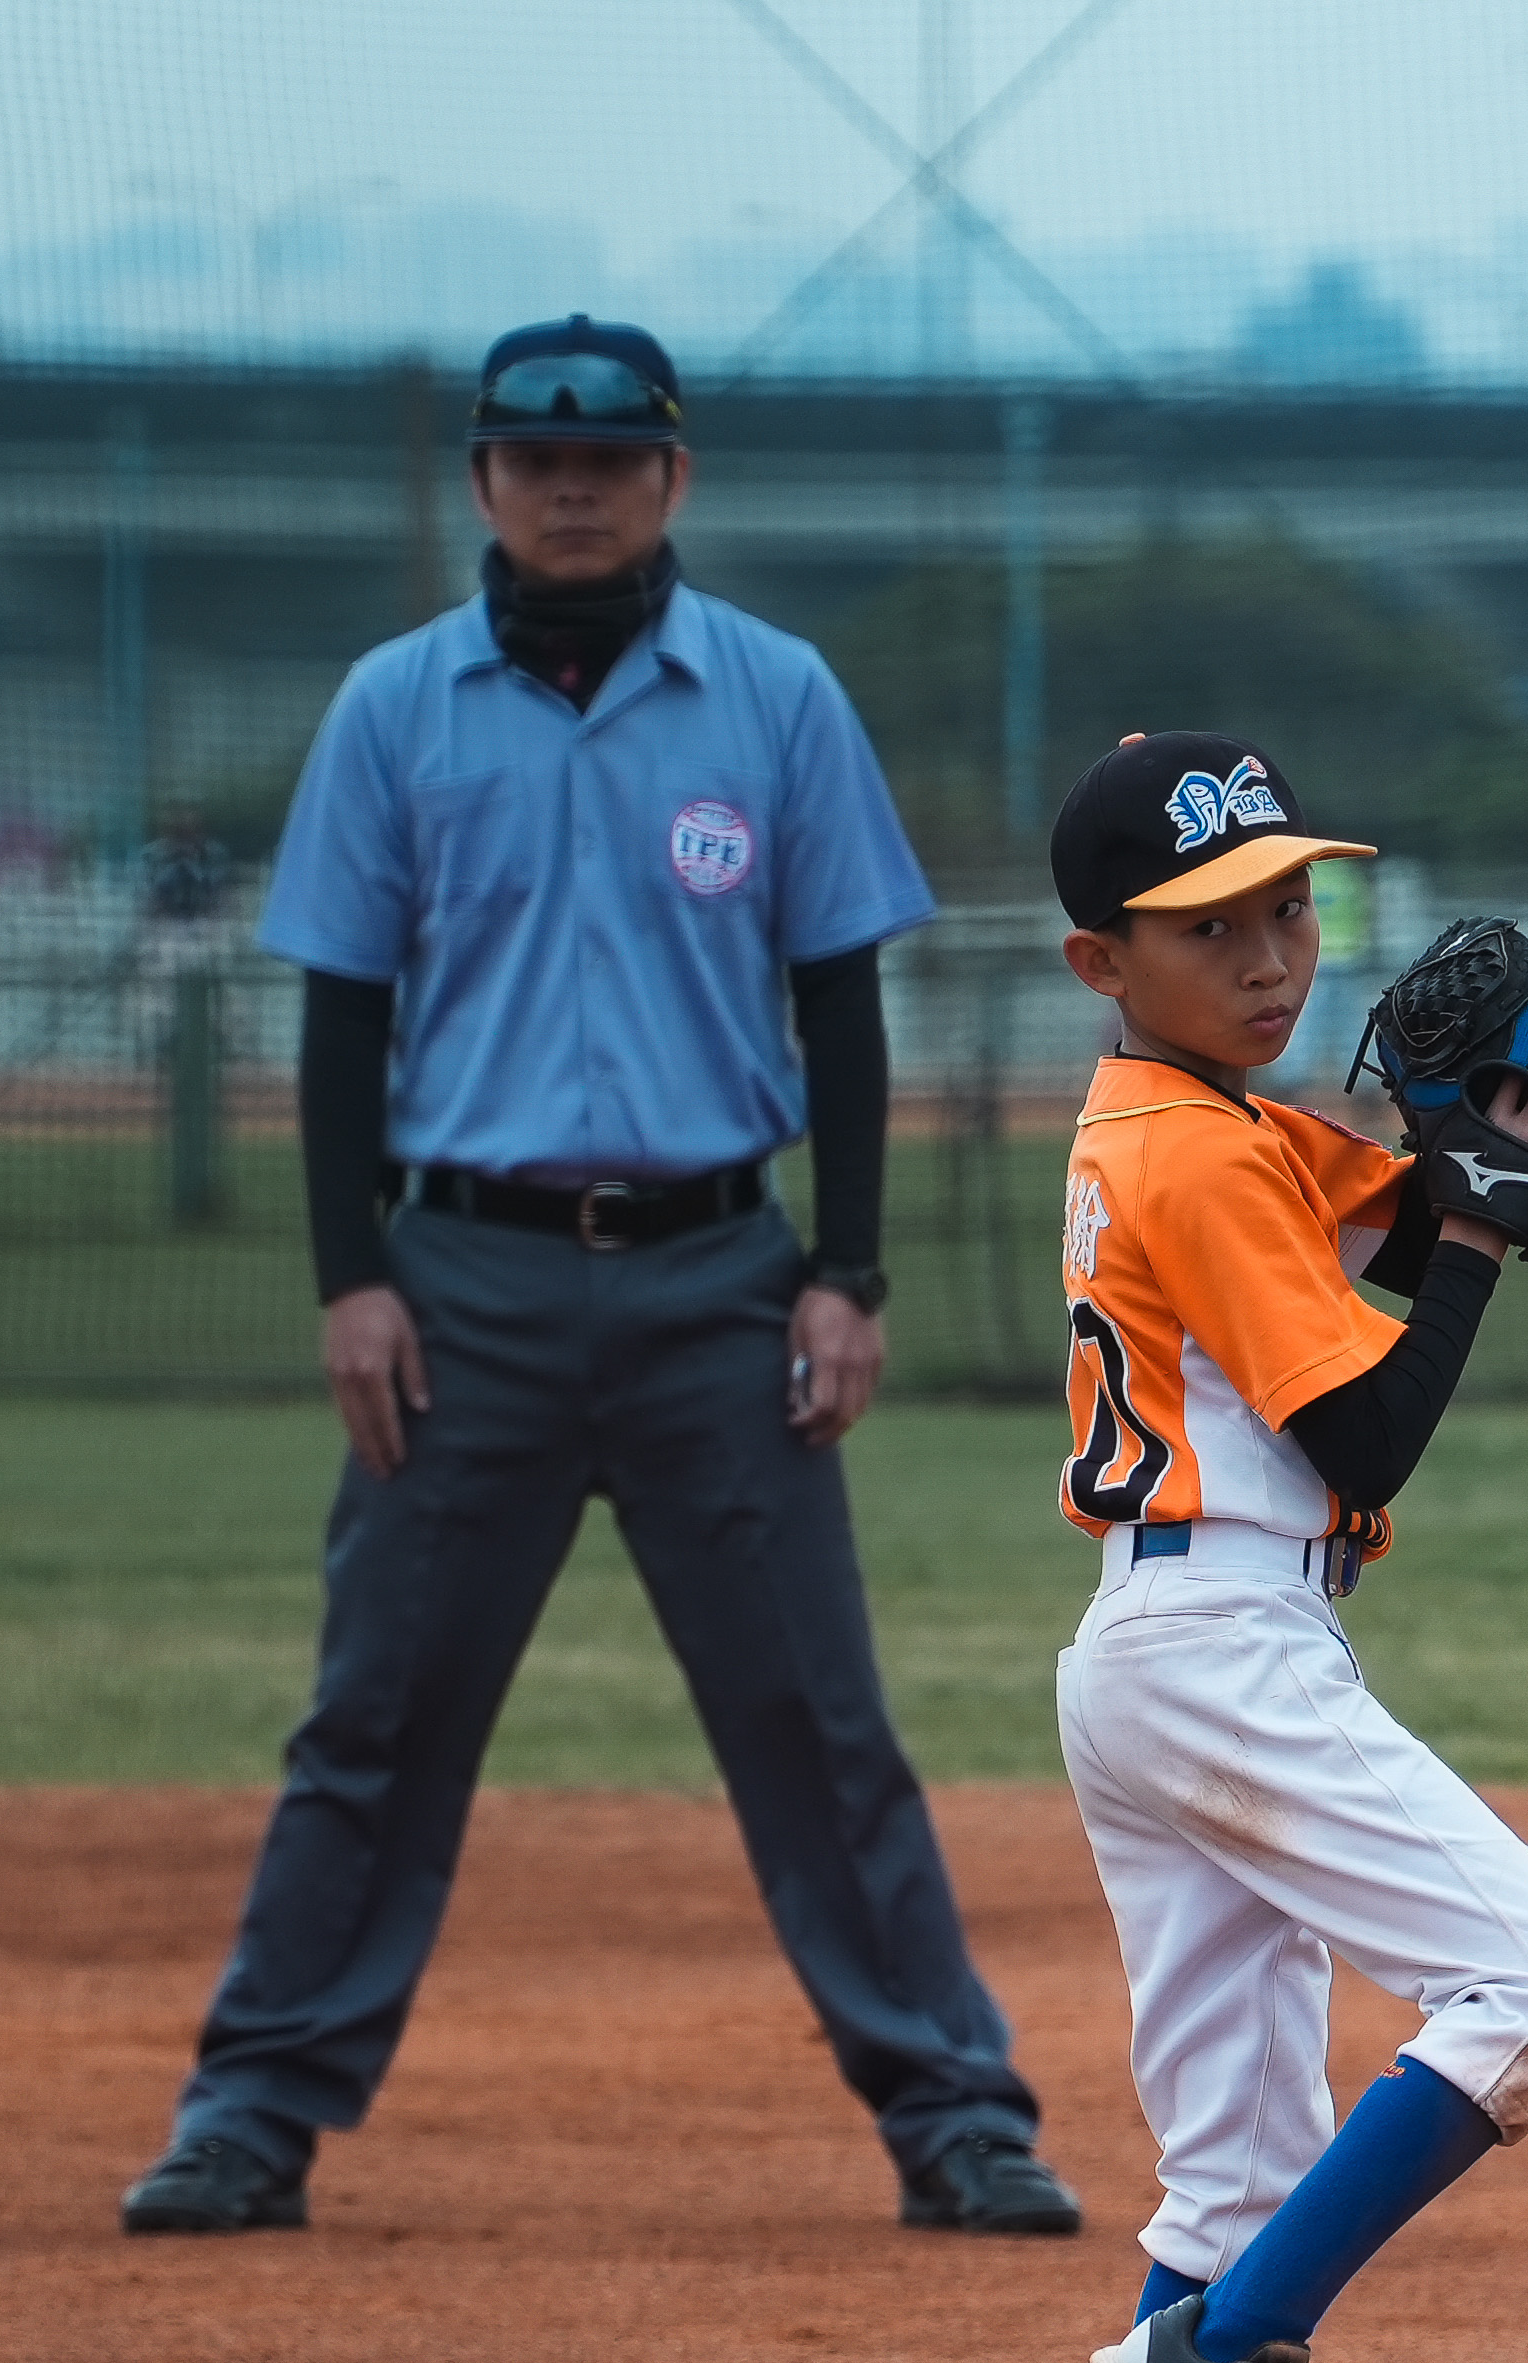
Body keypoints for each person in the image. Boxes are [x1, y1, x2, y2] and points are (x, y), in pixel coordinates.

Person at [117, 314, 1081, 2242]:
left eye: (613, 461)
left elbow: (839, 1003)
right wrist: (350, 1279)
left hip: (718, 1281)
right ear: (483, 480)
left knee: (815, 1717)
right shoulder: (397, 707)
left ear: (673, 479)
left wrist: (847, 1273)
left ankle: (957, 2113)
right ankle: (252, 2110)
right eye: (537, 461)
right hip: (458, 1288)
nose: (575, 491)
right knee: (377, 1715)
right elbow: (340, 1016)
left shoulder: (776, 697)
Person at [1030, 732, 1528, 2363]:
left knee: (1229, 2169)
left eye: (1289, 906)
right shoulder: (1203, 1150)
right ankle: (1230, 2355)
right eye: (1211, 928)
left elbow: (1415, 1202)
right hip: (1221, 1649)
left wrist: (1491, 1168)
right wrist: (1478, 1240)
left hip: (1162, 1652)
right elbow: (1367, 1429)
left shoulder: (1204, 1120)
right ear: (1101, 963)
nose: (1272, 955)